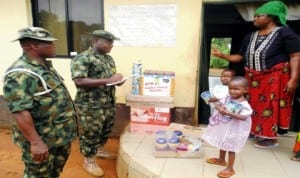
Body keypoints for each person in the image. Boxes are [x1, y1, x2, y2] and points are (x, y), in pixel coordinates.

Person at [211, 0, 300, 148]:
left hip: (275, 76)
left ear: (272, 17)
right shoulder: (251, 36)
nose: (255, 19)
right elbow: (240, 57)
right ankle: (255, 131)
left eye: (259, 16)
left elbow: (295, 56)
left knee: (269, 106)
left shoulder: (285, 33)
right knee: (252, 104)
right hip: (253, 78)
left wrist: (294, 78)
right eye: (255, 16)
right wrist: (222, 56)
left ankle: (269, 138)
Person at [2, 27, 78, 177]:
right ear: (34, 46)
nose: (54, 46)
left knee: (53, 173)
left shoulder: (43, 66)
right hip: (42, 138)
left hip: (57, 136)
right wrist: (36, 142)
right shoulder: (21, 73)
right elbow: (20, 111)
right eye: (49, 43)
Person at [70, 29, 124, 177]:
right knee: (91, 132)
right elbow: (79, 81)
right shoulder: (83, 58)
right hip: (90, 105)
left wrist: (118, 80)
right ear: (94, 41)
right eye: (107, 42)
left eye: (112, 42)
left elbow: (110, 78)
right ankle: (89, 160)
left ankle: (100, 150)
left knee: (105, 129)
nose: (111, 45)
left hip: (108, 102)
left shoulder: (108, 59)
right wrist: (108, 80)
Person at [202, 76, 252, 178]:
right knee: (223, 141)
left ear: (245, 90)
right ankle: (221, 160)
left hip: (235, 129)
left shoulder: (244, 104)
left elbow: (243, 117)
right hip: (225, 126)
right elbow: (219, 104)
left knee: (231, 147)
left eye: (236, 89)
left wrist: (229, 113)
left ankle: (230, 168)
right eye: (230, 89)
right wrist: (219, 108)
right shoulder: (228, 97)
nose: (232, 91)